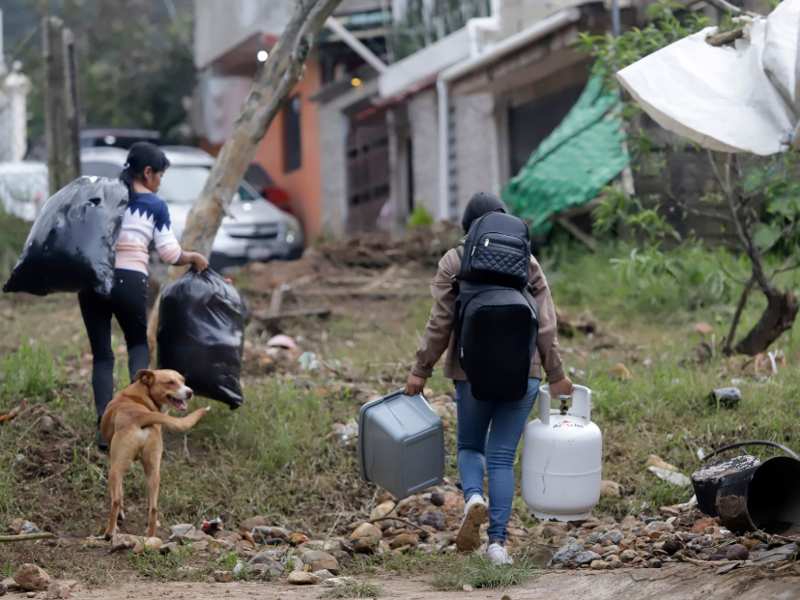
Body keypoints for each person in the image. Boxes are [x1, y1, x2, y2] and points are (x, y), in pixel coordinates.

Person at [405, 192, 573, 566]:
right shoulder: (527, 260)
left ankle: (472, 499)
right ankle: (497, 545)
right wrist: (557, 373)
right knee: (500, 458)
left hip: (470, 372)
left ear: (468, 227)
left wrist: (421, 369)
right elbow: (546, 324)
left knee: (470, 447)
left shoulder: (455, 259)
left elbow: (441, 321)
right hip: (524, 371)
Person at [80, 142, 209, 449]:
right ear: (148, 172)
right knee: (137, 343)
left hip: (92, 279)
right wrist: (192, 257)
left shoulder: (101, 196)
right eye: (160, 175)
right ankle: (138, 416)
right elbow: (169, 253)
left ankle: (105, 427)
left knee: (102, 355)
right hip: (128, 280)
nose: (161, 182)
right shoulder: (154, 205)